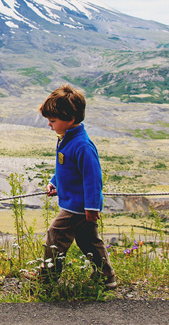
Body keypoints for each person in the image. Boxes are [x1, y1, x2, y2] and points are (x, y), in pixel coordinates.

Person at [39, 84, 116, 289]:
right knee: (89, 241)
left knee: (55, 234)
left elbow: (93, 179)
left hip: (78, 206)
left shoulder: (82, 145)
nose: (49, 124)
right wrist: (54, 182)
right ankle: (106, 276)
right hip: (77, 204)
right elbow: (66, 168)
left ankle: (47, 278)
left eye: (53, 120)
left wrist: (92, 207)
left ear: (70, 120)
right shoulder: (67, 139)